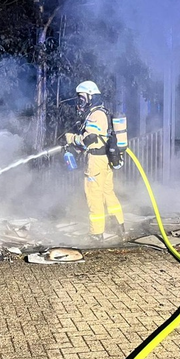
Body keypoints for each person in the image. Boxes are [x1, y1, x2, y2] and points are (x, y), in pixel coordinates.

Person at [64, 80, 126, 242]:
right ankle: (118, 225)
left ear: (91, 96)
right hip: (104, 159)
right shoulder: (100, 112)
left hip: (96, 161)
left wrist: (71, 139)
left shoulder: (96, 114)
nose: (80, 102)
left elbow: (89, 138)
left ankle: (96, 233)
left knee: (93, 195)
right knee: (107, 192)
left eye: (82, 98)